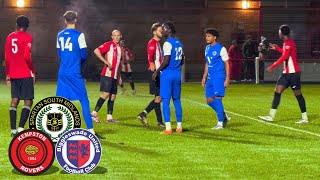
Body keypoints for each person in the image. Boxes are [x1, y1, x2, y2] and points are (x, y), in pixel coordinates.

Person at [56, 11, 104, 139]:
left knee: (62, 102)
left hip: (62, 72)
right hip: (74, 72)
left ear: (65, 20)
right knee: (84, 100)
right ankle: (91, 131)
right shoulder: (79, 35)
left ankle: (59, 130)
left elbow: (59, 54)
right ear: (75, 20)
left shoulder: (59, 35)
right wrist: (76, 61)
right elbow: (83, 55)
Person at [258, 25, 308, 124]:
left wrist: (272, 66)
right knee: (277, 91)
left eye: (279, 31)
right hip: (286, 73)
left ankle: (305, 118)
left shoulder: (289, 43)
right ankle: (271, 116)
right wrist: (277, 48)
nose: (278, 33)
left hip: (293, 73)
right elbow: (286, 53)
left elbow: (284, 56)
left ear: (282, 33)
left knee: (298, 95)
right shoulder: (286, 43)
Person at [5, 15, 35, 137]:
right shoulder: (28, 37)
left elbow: (7, 57)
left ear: (17, 24)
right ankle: (21, 129)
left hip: (13, 73)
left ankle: (13, 130)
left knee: (14, 100)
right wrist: (32, 70)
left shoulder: (9, 37)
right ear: (27, 26)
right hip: (25, 73)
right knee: (28, 101)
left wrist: (8, 74)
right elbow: (27, 56)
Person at [152, 21, 184, 135]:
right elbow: (182, 60)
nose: (162, 30)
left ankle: (168, 128)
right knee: (177, 100)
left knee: (165, 101)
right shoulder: (179, 43)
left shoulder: (167, 43)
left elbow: (165, 61)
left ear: (169, 30)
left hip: (168, 74)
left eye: (164, 28)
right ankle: (179, 127)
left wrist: (157, 71)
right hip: (177, 74)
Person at [201, 28, 231, 130]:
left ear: (214, 37)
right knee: (209, 101)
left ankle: (220, 123)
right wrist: (204, 77)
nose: (207, 38)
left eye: (209, 36)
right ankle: (224, 115)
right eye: (206, 36)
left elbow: (227, 63)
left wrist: (227, 78)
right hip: (210, 78)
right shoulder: (207, 48)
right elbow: (207, 63)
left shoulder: (221, 48)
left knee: (218, 99)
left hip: (219, 77)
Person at [91, 30, 123, 123]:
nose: (116, 37)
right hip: (107, 74)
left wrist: (119, 76)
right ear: (112, 36)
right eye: (114, 35)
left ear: (121, 36)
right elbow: (96, 51)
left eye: (118, 35)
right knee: (106, 93)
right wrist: (106, 62)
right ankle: (93, 114)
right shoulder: (109, 44)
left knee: (113, 96)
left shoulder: (120, 48)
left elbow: (119, 64)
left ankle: (109, 117)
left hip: (115, 76)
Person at [137, 22, 164, 128]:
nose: (161, 31)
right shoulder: (152, 42)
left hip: (158, 72)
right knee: (160, 97)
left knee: (159, 97)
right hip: (155, 72)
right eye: (159, 30)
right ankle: (146, 115)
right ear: (154, 32)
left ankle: (157, 120)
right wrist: (153, 68)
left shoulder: (158, 43)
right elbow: (150, 57)